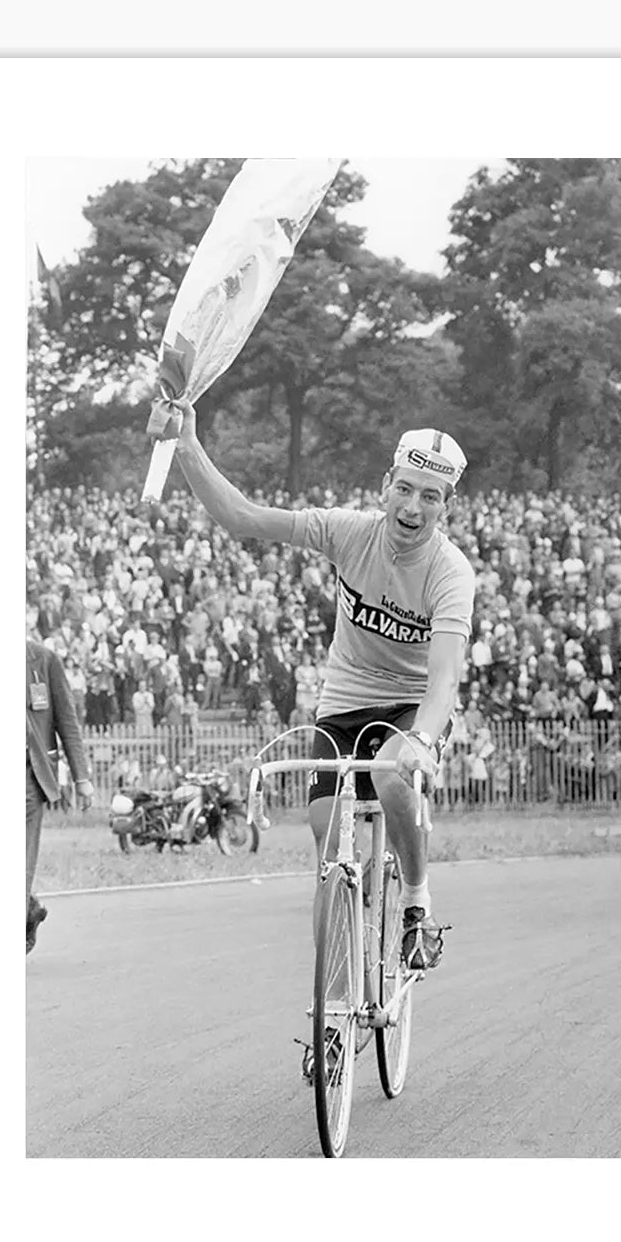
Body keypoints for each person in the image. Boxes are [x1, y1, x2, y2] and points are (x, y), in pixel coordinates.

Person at [173, 410, 475, 977]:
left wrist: (423, 740)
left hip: (411, 707)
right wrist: (187, 443)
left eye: (429, 498)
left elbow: (445, 680)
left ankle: (415, 899)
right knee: (328, 848)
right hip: (342, 705)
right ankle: (332, 1008)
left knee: (390, 773)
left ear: (446, 507)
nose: (412, 508)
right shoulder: (347, 530)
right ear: (385, 486)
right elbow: (243, 517)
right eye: (404, 490)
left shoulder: (450, 572)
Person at [26, 638, 93, 954]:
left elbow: (67, 720)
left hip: (27, 778)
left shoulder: (42, 660)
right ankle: (28, 910)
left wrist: (81, 778)